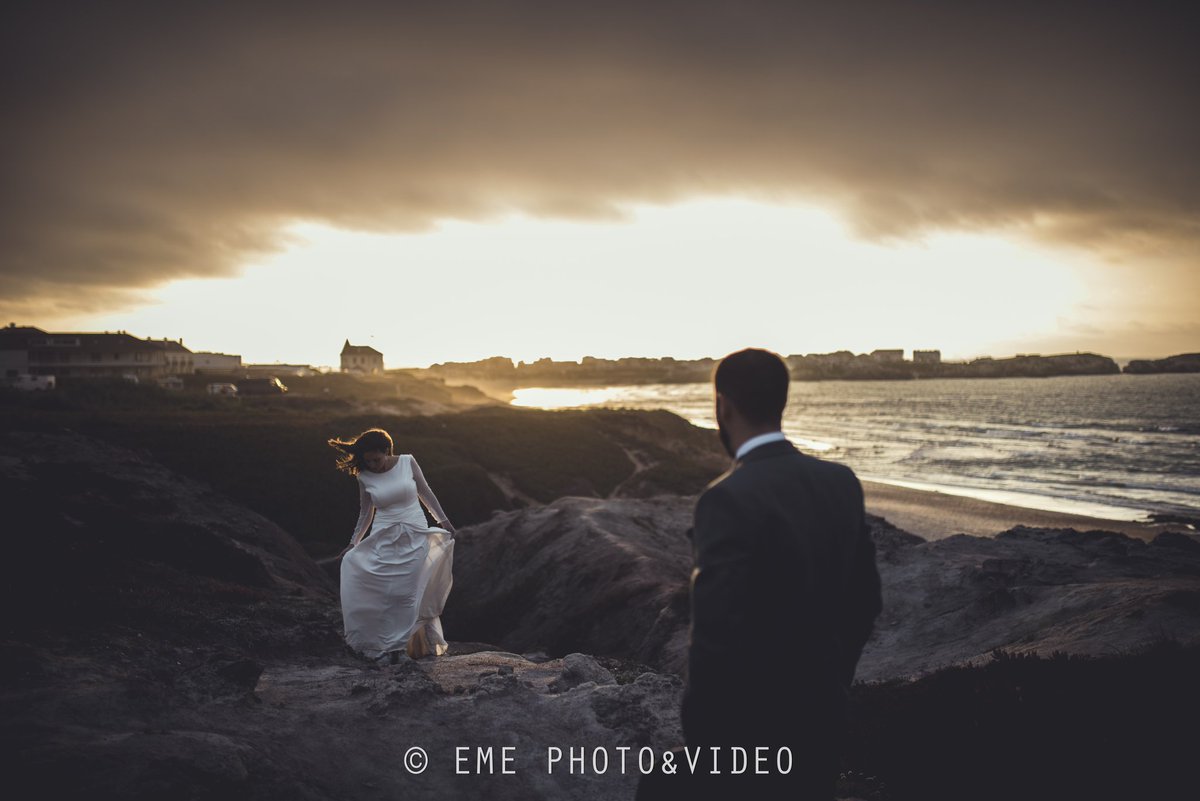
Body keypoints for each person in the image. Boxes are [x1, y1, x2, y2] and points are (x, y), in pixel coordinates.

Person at [639, 348, 882, 800]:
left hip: (746, 733)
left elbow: (714, 637)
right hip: (823, 717)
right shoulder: (842, 481)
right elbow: (865, 601)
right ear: (782, 402)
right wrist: (832, 681)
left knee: (658, 785)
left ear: (723, 406)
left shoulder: (726, 499)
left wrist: (704, 743)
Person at [329, 428, 456, 664]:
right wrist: (353, 543)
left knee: (406, 594)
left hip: (415, 534)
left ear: (387, 451)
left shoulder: (407, 462)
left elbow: (425, 492)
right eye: (368, 461)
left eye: (376, 460)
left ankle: (398, 649)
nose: (373, 465)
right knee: (383, 594)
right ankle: (382, 647)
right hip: (383, 537)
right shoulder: (364, 476)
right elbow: (366, 512)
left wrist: (443, 520)